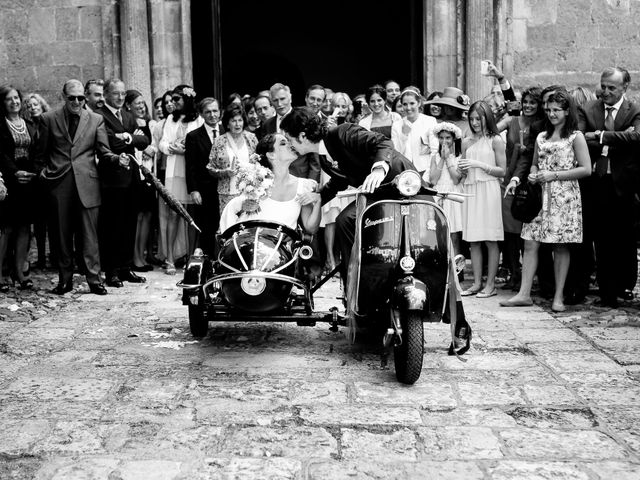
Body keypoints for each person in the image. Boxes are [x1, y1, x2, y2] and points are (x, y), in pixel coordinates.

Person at [280, 106, 472, 354]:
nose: (290, 145)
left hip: (403, 182)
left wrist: (379, 168)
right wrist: (317, 197)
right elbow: (340, 180)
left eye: (290, 139)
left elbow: (382, 143)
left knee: (435, 244)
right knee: (345, 222)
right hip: (375, 194)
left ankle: (459, 325)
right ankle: (360, 291)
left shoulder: (341, 132)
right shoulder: (322, 154)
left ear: (303, 136)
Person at [35, 79, 129, 295]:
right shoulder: (48, 119)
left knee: (89, 236)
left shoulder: (95, 120)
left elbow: (104, 151)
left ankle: (94, 280)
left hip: (88, 184)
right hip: (58, 184)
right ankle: (65, 280)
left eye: (80, 98)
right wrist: (44, 176)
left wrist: (117, 159)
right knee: (61, 235)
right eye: (72, 98)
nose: (76, 101)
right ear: (63, 96)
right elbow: (40, 154)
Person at [501, 90, 591, 311]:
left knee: (560, 246)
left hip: (564, 196)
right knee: (530, 242)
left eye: (556, 110)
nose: (551, 114)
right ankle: (524, 293)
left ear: (567, 111)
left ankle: (558, 296)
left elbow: (586, 169)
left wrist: (554, 175)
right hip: (539, 196)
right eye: (548, 110)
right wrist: (532, 174)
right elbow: (534, 162)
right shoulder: (541, 136)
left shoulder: (575, 136)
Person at [578, 67, 640, 308]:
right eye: (603, 86)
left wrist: (601, 135)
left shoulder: (634, 110)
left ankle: (624, 285)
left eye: (612, 88)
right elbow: (580, 137)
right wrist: (618, 136)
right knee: (600, 240)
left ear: (625, 87)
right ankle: (606, 293)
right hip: (595, 183)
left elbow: (637, 138)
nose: (605, 92)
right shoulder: (589, 108)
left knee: (623, 239)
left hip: (623, 184)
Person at [94, 79, 150, 288]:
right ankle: (112, 271)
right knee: (112, 226)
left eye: (123, 93)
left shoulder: (127, 115)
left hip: (132, 178)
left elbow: (145, 141)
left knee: (129, 224)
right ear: (106, 94)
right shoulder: (100, 116)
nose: (120, 97)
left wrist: (126, 137)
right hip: (112, 179)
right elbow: (107, 143)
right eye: (115, 93)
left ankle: (126, 268)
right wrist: (129, 139)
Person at [219, 133, 321, 232]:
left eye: (289, 141)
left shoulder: (303, 186)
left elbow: (310, 228)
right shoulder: (256, 183)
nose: (290, 145)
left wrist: (318, 201)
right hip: (253, 244)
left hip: (283, 247)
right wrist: (241, 205)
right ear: (271, 155)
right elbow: (235, 210)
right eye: (283, 143)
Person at [458, 101, 506, 298]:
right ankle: (477, 282)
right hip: (471, 189)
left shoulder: (495, 140)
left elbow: (502, 171)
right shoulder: (466, 142)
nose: (475, 122)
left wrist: (480, 164)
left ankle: (490, 284)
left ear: (488, 117)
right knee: (474, 240)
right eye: (472, 119)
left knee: (490, 239)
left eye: (479, 118)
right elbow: (462, 170)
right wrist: (461, 169)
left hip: (489, 188)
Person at [500, 87, 545, 291]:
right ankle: (513, 271)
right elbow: (490, 128)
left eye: (532, 102)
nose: (527, 106)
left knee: (526, 230)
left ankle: (532, 276)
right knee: (510, 231)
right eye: (525, 101)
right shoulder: (512, 120)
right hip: (510, 178)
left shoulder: (542, 126)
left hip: (531, 181)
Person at [158, 84, 203, 275]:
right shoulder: (170, 119)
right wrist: (172, 149)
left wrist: (188, 150)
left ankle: (191, 257)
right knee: (173, 214)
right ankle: (169, 258)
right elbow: (162, 142)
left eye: (177, 99)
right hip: (174, 170)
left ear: (188, 99)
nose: (173, 103)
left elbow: (201, 143)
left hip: (191, 171)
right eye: (173, 99)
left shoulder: (198, 120)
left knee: (191, 215)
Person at [0, 85, 39, 290]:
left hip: (28, 183)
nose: (14, 102)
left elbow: (36, 151)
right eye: (9, 99)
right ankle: (1, 274)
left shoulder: (29, 124)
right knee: (6, 228)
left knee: (25, 227)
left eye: (16, 98)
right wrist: (15, 172)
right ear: (3, 103)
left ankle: (20, 273)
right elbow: (1, 154)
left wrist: (31, 172)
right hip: (8, 181)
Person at [125, 89, 156, 272]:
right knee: (137, 217)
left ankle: (141, 255)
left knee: (147, 216)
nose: (141, 107)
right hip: (134, 175)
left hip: (148, 175)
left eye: (143, 103)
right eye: (137, 103)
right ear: (128, 106)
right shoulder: (128, 124)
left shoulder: (147, 124)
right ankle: (134, 257)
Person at [207, 103, 258, 217]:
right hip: (227, 193)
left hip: (249, 193)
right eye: (233, 121)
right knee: (229, 227)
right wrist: (225, 172)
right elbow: (210, 168)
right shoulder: (219, 141)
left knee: (247, 228)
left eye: (240, 120)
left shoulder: (251, 138)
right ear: (227, 123)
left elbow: (259, 163)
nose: (237, 124)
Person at [185, 97, 221, 256]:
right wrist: (194, 190)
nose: (212, 115)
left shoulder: (229, 132)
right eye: (208, 112)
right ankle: (208, 264)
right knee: (207, 229)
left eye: (215, 111)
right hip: (205, 191)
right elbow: (190, 166)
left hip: (227, 189)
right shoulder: (193, 136)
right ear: (201, 114)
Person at [23, 92, 51, 270]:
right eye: (29, 105)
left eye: (36, 104)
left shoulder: (49, 123)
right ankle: (36, 257)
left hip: (49, 175)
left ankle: (50, 255)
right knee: (36, 220)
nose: (32, 107)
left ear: (42, 106)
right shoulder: (26, 126)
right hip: (32, 176)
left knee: (50, 219)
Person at [428, 122, 464, 256]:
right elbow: (433, 180)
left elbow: (456, 179)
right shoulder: (435, 157)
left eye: (448, 137)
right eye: (441, 137)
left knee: (453, 234)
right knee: (439, 233)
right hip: (439, 194)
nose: (444, 141)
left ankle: (457, 267)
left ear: (454, 139)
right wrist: (442, 159)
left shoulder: (459, 157)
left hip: (452, 195)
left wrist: (448, 158)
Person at [391, 89, 438, 176]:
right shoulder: (397, 125)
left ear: (419, 103)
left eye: (412, 103)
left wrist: (429, 172)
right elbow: (396, 153)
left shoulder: (430, 121)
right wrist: (404, 136)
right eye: (405, 104)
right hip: (405, 171)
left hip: (426, 169)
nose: (408, 108)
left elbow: (435, 150)